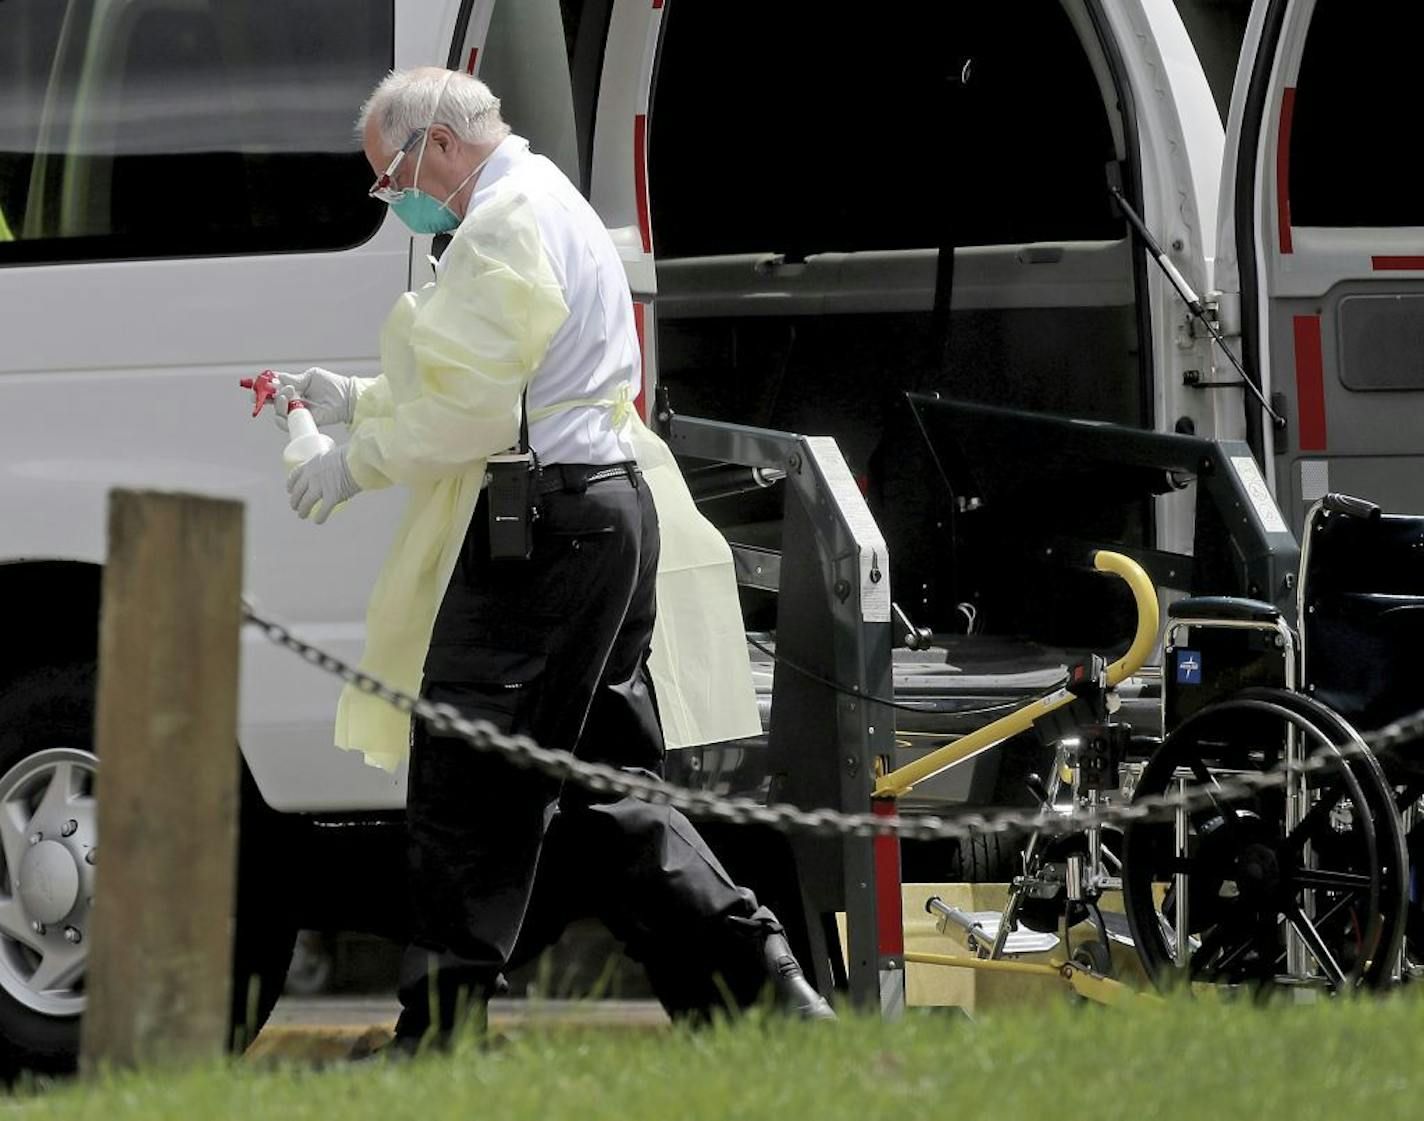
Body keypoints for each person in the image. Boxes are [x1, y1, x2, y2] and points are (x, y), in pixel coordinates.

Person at [272, 67, 833, 1048]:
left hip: (544, 529)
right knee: (599, 787)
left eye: (386, 176)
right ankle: (763, 996)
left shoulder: (495, 225)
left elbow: (472, 408)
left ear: (435, 146)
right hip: (607, 510)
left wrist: (348, 464)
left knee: (465, 775)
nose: (388, 197)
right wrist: (355, 399)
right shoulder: (546, 200)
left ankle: (436, 1041)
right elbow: (503, 376)